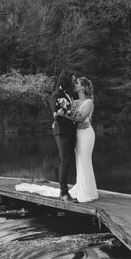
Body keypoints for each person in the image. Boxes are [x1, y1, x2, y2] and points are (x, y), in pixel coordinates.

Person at [68, 77, 99, 202]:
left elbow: (80, 118)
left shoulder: (89, 102)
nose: (75, 85)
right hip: (77, 134)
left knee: (85, 160)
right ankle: (81, 188)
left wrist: (70, 117)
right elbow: (69, 117)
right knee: (79, 161)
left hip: (86, 134)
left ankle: (88, 192)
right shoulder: (73, 102)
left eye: (77, 83)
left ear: (83, 87)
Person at [50, 70, 78, 201]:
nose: (74, 82)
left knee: (67, 160)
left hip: (71, 131)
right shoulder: (56, 95)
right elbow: (56, 115)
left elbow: (71, 111)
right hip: (62, 132)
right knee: (65, 160)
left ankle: (66, 190)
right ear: (66, 80)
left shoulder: (70, 94)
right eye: (72, 79)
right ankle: (64, 193)